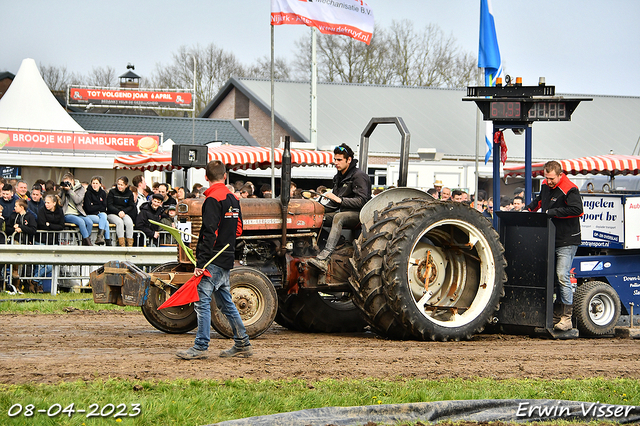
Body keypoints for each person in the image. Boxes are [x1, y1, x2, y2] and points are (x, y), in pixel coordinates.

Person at [176, 160, 251, 360]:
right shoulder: (233, 199)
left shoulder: (212, 200)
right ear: (225, 176)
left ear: (206, 177)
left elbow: (208, 232)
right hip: (226, 257)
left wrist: (200, 263)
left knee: (202, 303)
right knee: (226, 304)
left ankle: (200, 346)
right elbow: (239, 229)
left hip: (212, 260)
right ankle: (242, 343)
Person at [526, 160, 583, 332]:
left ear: (560, 175)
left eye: (551, 179)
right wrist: (528, 210)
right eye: (546, 178)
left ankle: (567, 318)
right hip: (550, 237)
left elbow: (577, 210)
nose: (548, 181)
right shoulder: (545, 185)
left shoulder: (570, 189)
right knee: (550, 277)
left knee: (561, 275)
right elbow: (539, 201)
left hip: (567, 239)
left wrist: (552, 213)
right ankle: (554, 314)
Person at [307, 143, 371, 272]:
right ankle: (315, 249)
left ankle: (324, 258)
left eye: (339, 160)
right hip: (343, 210)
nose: (336, 162)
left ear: (349, 160)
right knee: (319, 218)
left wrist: (340, 200)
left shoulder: (359, 176)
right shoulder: (338, 177)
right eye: (335, 159)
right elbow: (333, 202)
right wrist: (316, 207)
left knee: (338, 217)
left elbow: (363, 201)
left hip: (359, 214)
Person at [35, 194, 66, 292]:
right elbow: (42, 224)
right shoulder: (41, 210)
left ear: (54, 203)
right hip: (41, 240)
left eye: (48, 203)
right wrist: (52, 226)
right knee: (40, 264)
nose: (46, 204)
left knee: (50, 265)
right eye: (45, 202)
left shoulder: (59, 211)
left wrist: (49, 225)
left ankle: (34, 279)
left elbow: (61, 226)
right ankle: (38, 285)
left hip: (53, 241)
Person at [59, 172, 94, 246]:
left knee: (89, 222)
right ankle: (88, 243)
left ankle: (85, 242)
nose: (66, 184)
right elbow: (61, 202)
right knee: (81, 222)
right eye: (64, 182)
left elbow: (77, 200)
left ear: (72, 181)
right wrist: (63, 191)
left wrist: (70, 191)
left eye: (68, 182)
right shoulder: (63, 189)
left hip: (78, 212)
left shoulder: (81, 188)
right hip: (67, 213)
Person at [107, 176, 137, 247]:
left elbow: (131, 205)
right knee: (119, 222)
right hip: (112, 213)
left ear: (126, 185)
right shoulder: (112, 192)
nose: (119, 186)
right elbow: (109, 205)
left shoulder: (129, 193)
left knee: (129, 222)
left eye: (121, 185)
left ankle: (130, 243)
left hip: (123, 212)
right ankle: (121, 243)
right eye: (118, 184)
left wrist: (124, 211)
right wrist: (118, 212)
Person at [84, 176, 111, 246]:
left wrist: (95, 205)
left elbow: (104, 207)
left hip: (100, 214)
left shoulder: (103, 193)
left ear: (100, 184)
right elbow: (89, 208)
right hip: (90, 215)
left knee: (104, 216)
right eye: (93, 183)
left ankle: (101, 238)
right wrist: (99, 205)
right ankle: (106, 240)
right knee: (105, 222)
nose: (95, 185)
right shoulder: (88, 193)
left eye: (96, 183)